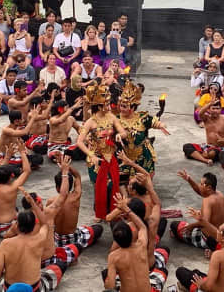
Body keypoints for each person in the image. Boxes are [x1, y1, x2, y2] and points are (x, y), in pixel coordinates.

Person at [0, 189, 65, 291]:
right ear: (34, 225)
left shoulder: (5, 244)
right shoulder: (40, 239)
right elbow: (44, 223)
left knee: (0, 276)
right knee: (61, 265)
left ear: (17, 225)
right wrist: (32, 203)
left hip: (10, 289)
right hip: (34, 289)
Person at [77, 83, 127, 220]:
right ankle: (99, 212)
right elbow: (79, 142)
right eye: (106, 104)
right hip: (97, 159)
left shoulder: (111, 117)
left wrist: (119, 135)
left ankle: (112, 210)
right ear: (99, 106)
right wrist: (91, 154)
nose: (109, 106)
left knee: (112, 184)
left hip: (111, 156)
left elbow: (123, 132)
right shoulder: (91, 122)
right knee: (99, 185)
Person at [104, 193, 162, 292]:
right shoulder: (141, 245)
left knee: (105, 275)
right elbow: (142, 227)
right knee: (162, 264)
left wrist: (107, 280)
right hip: (149, 277)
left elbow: (110, 286)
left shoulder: (113, 257)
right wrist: (126, 209)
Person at [118, 79, 169, 177]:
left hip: (142, 155)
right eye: (121, 106)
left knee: (143, 182)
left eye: (125, 107)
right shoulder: (116, 119)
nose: (121, 109)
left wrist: (161, 125)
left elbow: (154, 122)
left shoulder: (142, 117)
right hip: (123, 155)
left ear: (133, 107)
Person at [176, 223, 224, 292]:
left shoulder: (218, 256)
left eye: (218, 230)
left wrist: (200, 284)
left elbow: (208, 287)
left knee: (180, 271)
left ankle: (189, 288)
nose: (216, 231)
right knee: (196, 272)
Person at [170, 171, 224, 251]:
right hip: (220, 234)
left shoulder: (208, 200)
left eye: (201, 184)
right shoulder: (220, 194)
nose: (199, 185)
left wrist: (191, 226)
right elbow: (200, 191)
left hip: (208, 238)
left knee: (174, 225)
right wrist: (189, 179)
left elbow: (204, 223)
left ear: (209, 187)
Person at [183, 100, 224, 166]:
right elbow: (200, 113)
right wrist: (209, 104)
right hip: (207, 146)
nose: (215, 110)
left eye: (217, 108)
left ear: (221, 109)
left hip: (219, 148)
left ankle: (196, 155)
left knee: (212, 153)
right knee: (186, 146)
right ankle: (205, 160)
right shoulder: (206, 118)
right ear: (209, 109)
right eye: (213, 108)